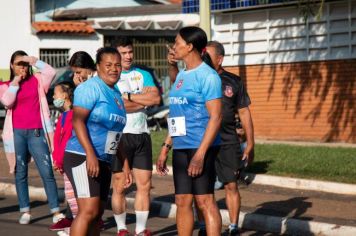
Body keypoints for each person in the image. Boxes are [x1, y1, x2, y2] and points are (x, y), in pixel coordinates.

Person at [156, 26, 223, 236]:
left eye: (177, 43)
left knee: (204, 200)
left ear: (190, 46)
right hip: (181, 146)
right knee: (182, 200)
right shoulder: (182, 76)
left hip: (202, 146)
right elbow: (177, 114)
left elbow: (216, 117)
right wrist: (167, 146)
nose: (173, 47)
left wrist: (200, 155)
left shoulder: (208, 76)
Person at [63, 47, 131, 236]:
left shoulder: (116, 94)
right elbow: (77, 121)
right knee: (88, 211)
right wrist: (90, 154)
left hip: (104, 160)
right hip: (81, 156)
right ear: (98, 66)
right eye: (108, 65)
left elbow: (116, 133)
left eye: (117, 65)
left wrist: (125, 164)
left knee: (98, 214)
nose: (113, 69)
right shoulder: (90, 88)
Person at [0, 50, 64, 224]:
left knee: (46, 171)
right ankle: (25, 211)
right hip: (17, 135)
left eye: (24, 64)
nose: (22, 67)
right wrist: (15, 81)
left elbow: (51, 72)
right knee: (20, 173)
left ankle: (56, 211)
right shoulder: (6, 85)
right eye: (18, 64)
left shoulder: (37, 80)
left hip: (37, 132)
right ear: (12, 66)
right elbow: (7, 102)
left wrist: (31, 60)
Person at [111, 37, 160, 236]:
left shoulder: (143, 74)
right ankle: (122, 228)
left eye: (130, 52)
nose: (128, 56)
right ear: (116, 54)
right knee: (120, 185)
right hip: (118, 135)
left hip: (141, 134)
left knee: (144, 185)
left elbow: (155, 98)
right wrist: (142, 101)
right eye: (124, 53)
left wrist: (129, 97)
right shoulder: (111, 76)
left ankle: (141, 229)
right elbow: (117, 105)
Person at [205, 41, 254, 235]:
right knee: (204, 187)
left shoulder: (233, 81)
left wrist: (250, 142)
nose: (204, 60)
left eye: (208, 56)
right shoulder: (199, 79)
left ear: (219, 58)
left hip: (227, 141)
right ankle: (205, 225)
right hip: (205, 141)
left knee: (231, 184)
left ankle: (233, 227)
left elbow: (244, 113)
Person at [49, 51, 96, 232]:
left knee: (83, 203)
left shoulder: (93, 87)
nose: (76, 76)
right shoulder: (64, 115)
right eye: (74, 73)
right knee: (75, 199)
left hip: (85, 155)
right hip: (70, 158)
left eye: (78, 72)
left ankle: (77, 227)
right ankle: (77, 225)